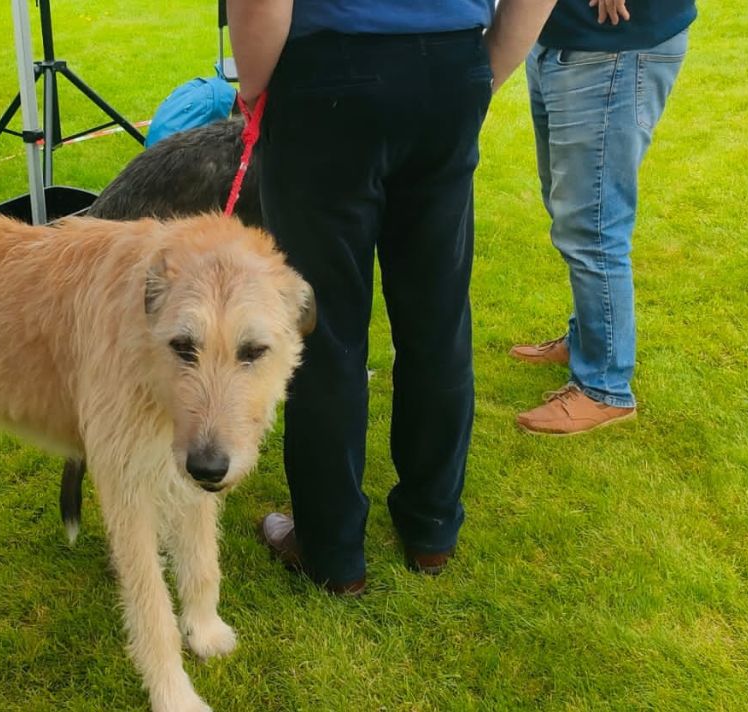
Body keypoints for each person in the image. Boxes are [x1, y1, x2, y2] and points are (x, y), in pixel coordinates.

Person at [226, 0, 558, 594]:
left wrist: (251, 92)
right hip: (450, 66)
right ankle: (431, 528)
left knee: (324, 329)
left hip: (327, 74)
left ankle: (331, 548)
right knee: (437, 319)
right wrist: (478, 72)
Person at [511, 0, 696, 435]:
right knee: (570, 208)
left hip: (613, 49)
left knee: (593, 224)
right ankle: (588, 343)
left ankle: (604, 387)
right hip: (560, 38)